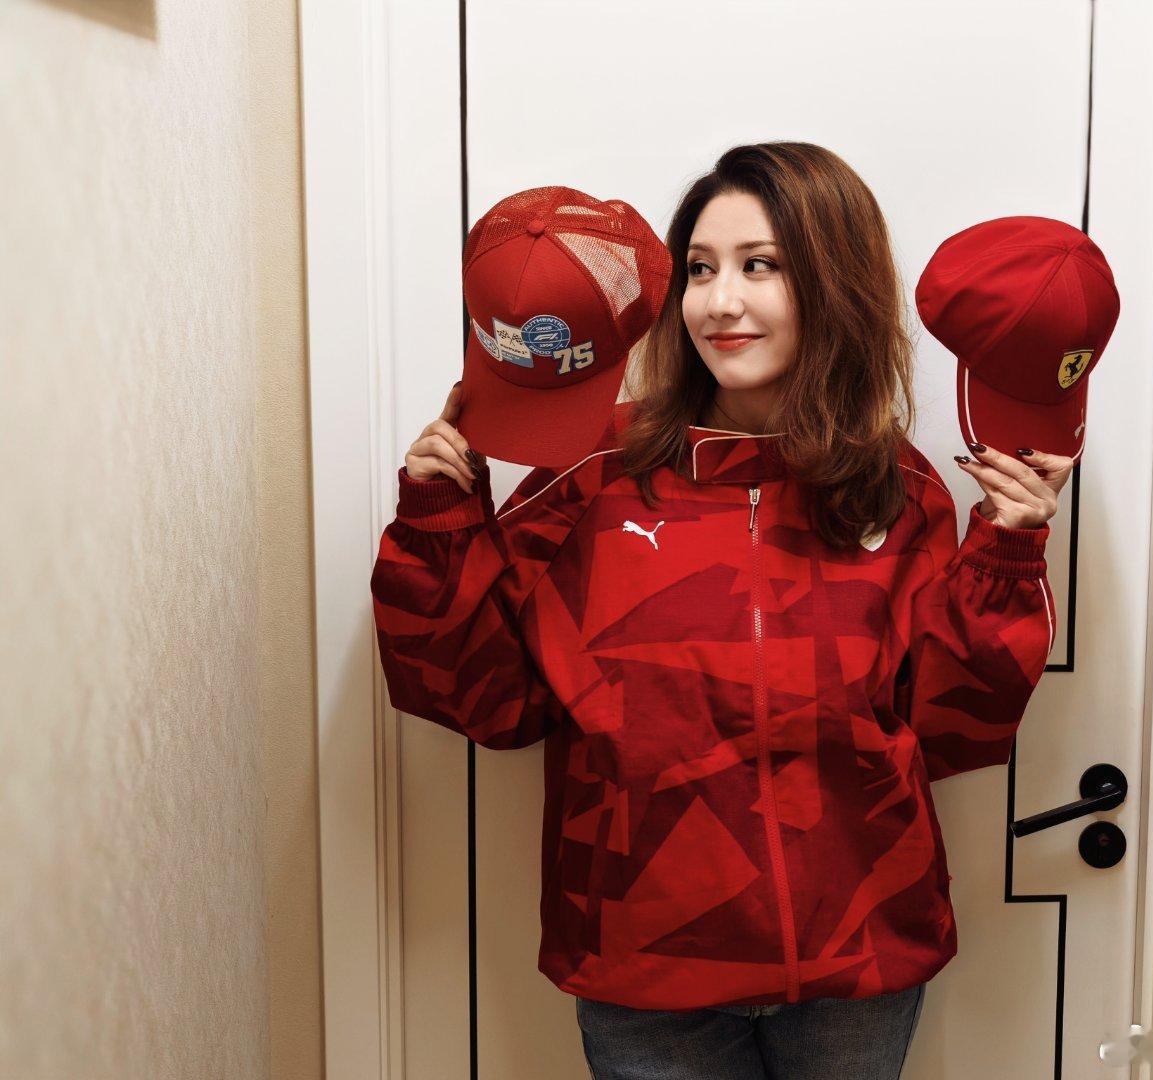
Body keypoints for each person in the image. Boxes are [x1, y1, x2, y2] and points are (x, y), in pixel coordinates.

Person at [370, 141, 1071, 1079]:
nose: (719, 301)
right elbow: (489, 704)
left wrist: (1006, 556)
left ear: (835, 284)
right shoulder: (591, 474)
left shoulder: (898, 490)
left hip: (856, 963)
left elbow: (950, 729)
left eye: (760, 265)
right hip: (642, 965)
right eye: (699, 269)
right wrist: (439, 524)